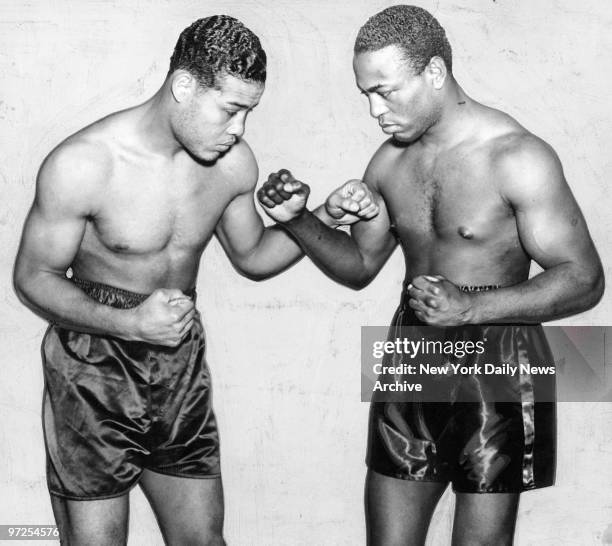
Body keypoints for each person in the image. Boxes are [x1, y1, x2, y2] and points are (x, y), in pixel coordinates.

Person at [13, 15, 374, 545]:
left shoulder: (232, 164)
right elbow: (33, 277)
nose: (239, 129)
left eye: (248, 112)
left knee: (204, 542)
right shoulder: (83, 164)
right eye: (230, 109)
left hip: (180, 365)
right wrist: (129, 323)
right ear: (185, 86)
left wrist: (314, 216)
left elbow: (252, 257)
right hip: (94, 366)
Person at [257, 5, 604, 545]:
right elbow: (359, 268)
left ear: (434, 73)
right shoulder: (390, 163)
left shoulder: (517, 157)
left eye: (386, 91)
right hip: (414, 346)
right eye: (366, 93)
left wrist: (471, 308)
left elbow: (584, 279)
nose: (375, 109)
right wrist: (299, 221)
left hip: (498, 351)